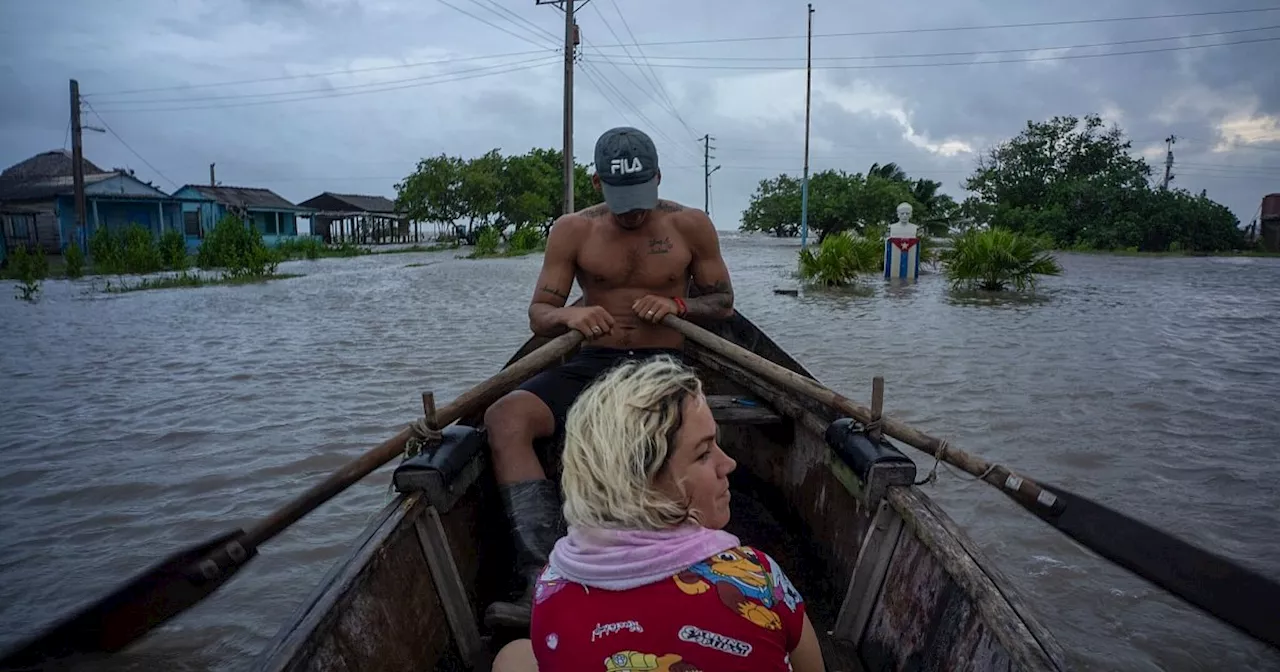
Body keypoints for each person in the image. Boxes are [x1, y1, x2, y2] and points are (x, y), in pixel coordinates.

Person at [482, 126, 736, 629]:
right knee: (505, 416)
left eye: (641, 198)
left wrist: (677, 304)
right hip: (591, 365)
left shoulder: (690, 225)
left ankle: (684, 561)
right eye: (620, 200)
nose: (632, 212)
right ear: (598, 185)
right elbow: (539, 313)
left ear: (658, 178)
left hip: (662, 368)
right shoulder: (573, 230)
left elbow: (724, 304)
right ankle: (540, 570)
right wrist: (571, 317)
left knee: (653, 435)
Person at [503, 355, 823, 671]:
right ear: (645, 480)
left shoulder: (551, 584)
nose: (728, 464)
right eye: (703, 454)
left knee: (513, 656)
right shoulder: (756, 577)